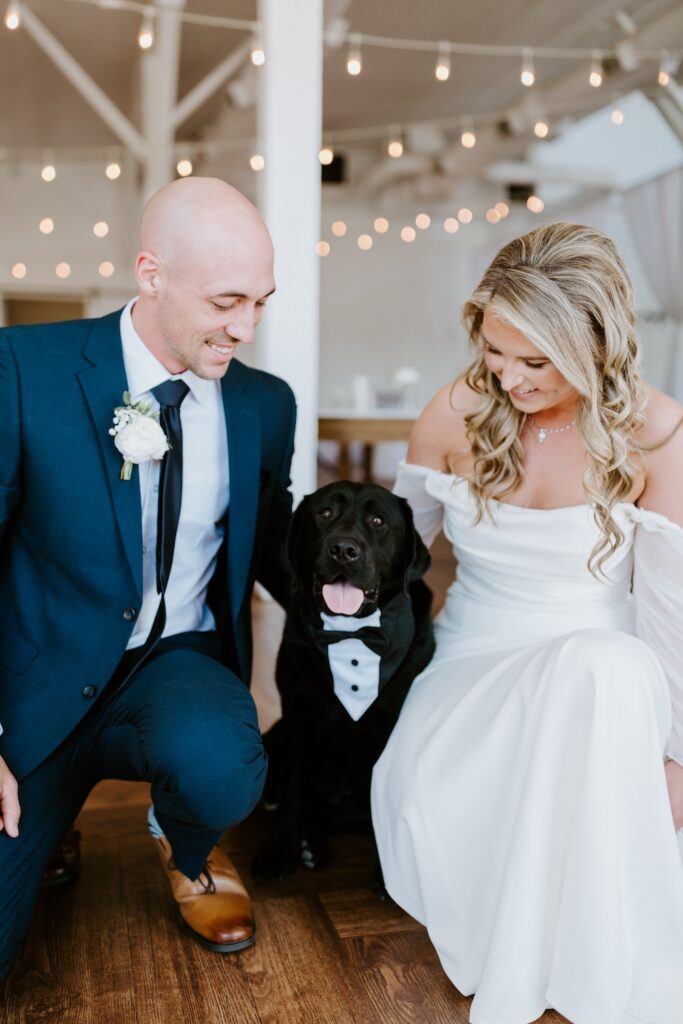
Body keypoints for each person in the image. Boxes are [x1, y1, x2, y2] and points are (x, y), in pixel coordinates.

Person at [371, 222, 683, 1024]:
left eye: (533, 361)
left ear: (595, 343)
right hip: (473, 670)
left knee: (601, 667)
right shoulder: (454, 413)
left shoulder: (657, 433)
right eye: (493, 350)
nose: (506, 377)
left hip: (607, 685)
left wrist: (675, 758)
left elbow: (668, 613)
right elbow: (389, 561)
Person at [0, 177, 296, 974]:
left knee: (220, 772)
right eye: (227, 300)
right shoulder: (22, 367)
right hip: (37, 679)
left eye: (261, 302)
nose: (247, 327)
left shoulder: (265, 405)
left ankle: (185, 841)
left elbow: (273, 541)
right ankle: (50, 823)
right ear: (151, 273)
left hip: (177, 666)